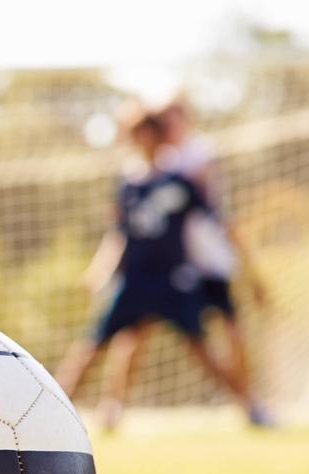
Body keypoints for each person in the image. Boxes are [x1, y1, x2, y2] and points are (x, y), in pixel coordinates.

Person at [54, 111, 261, 421]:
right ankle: (55, 408)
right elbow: (118, 235)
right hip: (134, 281)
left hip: (173, 282)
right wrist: (100, 269)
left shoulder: (181, 183)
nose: (137, 142)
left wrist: (248, 271)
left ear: (156, 136)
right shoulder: (128, 187)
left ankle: (250, 408)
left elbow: (217, 224)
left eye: (143, 134)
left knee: (204, 352)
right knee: (92, 346)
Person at [101, 95, 272, 430]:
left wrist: (250, 273)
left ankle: (250, 404)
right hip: (167, 269)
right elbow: (122, 228)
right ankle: (113, 407)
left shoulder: (193, 159)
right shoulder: (139, 172)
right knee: (132, 338)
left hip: (208, 262)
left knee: (224, 337)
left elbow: (214, 210)